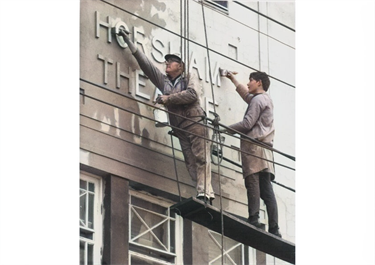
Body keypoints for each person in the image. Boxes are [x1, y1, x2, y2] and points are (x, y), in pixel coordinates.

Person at [117, 29, 215, 204]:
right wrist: (128, 41)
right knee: (190, 162)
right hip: (181, 128)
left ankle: (205, 194)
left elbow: (192, 94)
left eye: (172, 62)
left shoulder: (189, 77)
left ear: (181, 66)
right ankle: (201, 192)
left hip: (195, 123)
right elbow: (146, 65)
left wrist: (168, 98)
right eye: (167, 61)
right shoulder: (165, 82)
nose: (167, 64)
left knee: (201, 158)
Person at [223, 71, 281, 237]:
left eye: (251, 80)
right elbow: (246, 95)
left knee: (253, 182)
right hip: (266, 149)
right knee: (266, 189)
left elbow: (247, 123)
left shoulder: (257, 100)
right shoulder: (265, 99)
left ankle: (254, 218)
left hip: (254, 147)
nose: (248, 83)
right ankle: (274, 228)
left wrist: (225, 129)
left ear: (259, 83)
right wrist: (232, 78)